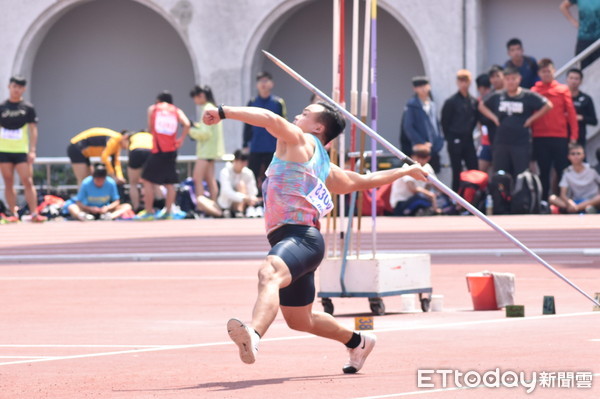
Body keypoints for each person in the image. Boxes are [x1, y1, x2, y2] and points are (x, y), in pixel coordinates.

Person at [203, 101, 428, 373]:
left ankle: (254, 334)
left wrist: (224, 111)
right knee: (300, 320)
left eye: (306, 114)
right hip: (298, 242)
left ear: (318, 127)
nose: (298, 115)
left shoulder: (300, 139)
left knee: (269, 273)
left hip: (300, 237)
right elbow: (362, 180)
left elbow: (270, 119)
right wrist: (404, 170)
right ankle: (359, 341)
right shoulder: (324, 166)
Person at [479, 67, 552, 178]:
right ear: (504, 80)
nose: (511, 81)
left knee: (521, 174)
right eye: (508, 79)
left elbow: (548, 105)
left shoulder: (527, 95)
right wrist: (494, 118)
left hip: (521, 142)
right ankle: (502, 195)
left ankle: (520, 195)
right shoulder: (498, 95)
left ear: (519, 79)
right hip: (501, 142)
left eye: (513, 78)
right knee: (500, 174)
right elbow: (481, 105)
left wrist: (531, 119)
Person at [531, 58, 579, 200]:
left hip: (559, 137)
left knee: (561, 170)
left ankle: (562, 200)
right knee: (543, 170)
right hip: (540, 137)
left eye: (549, 71)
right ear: (539, 73)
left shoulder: (563, 89)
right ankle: (544, 201)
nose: (546, 74)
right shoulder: (534, 91)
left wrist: (574, 136)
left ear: (554, 71)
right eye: (543, 71)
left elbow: (571, 114)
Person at [137, 91, 190, 220]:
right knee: (170, 182)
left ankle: (149, 211)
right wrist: (181, 139)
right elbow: (187, 124)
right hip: (171, 150)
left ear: (158, 100)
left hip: (158, 150)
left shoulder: (153, 109)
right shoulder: (176, 110)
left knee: (147, 180)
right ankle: (168, 211)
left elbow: (150, 129)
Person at [0, 75, 46, 222]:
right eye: (14, 87)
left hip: (21, 150)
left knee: (27, 180)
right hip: (4, 150)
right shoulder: (2, 107)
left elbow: (33, 130)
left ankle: (34, 213)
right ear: (9, 87)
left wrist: (32, 150)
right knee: (8, 181)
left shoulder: (27, 108)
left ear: (23, 89)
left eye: (20, 88)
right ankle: (13, 213)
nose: (16, 90)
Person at [242, 72, 287, 192]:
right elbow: (247, 125)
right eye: (261, 81)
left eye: (266, 80)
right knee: (251, 177)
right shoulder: (252, 102)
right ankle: (252, 205)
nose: (263, 84)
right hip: (255, 147)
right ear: (257, 84)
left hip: (273, 148)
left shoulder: (278, 102)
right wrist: (245, 144)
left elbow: (283, 124)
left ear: (271, 84)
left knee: (272, 179)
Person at [441, 69, 478, 191]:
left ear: (470, 82)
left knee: (473, 169)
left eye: (466, 81)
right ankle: (456, 200)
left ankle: (473, 198)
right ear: (457, 82)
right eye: (461, 81)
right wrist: (451, 138)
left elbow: (475, 119)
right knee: (457, 171)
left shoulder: (473, 101)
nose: (464, 84)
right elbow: (444, 122)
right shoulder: (451, 101)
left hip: (468, 140)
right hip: (455, 139)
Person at [401, 76, 444, 173]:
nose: (423, 88)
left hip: (433, 148)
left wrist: (439, 142)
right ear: (415, 89)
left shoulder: (432, 104)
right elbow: (408, 127)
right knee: (419, 175)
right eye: (419, 86)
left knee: (433, 175)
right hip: (419, 150)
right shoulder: (411, 105)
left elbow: (437, 125)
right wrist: (422, 143)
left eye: (425, 85)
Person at [189, 85, 225, 202]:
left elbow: (205, 133)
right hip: (212, 150)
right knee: (210, 179)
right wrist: (196, 127)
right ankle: (214, 204)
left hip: (205, 151)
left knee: (197, 178)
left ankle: (201, 205)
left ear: (201, 95)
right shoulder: (213, 108)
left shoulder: (207, 109)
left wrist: (190, 130)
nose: (194, 100)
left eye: (195, 97)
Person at [67, 164, 131, 221]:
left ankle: (110, 217)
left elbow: (116, 201)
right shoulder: (86, 183)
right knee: (72, 207)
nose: (99, 182)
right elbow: (78, 202)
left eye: (102, 179)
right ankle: (84, 216)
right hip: (88, 210)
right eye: (97, 179)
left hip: (105, 211)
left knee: (127, 206)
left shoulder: (111, 183)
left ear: (105, 178)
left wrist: (107, 208)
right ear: (93, 178)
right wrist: (90, 208)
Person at [549, 143, 600, 213]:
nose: (576, 156)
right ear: (569, 156)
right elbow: (563, 194)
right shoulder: (567, 172)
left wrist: (577, 207)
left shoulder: (592, 170)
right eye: (573, 154)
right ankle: (582, 209)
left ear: (583, 156)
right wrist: (571, 204)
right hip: (575, 201)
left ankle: (578, 209)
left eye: (578, 154)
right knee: (552, 198)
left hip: (591, 201)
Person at [390, 145, 439, 216]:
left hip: (417, 199)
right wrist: (430, 195)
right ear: (413, 157)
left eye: (424, 157)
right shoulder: (407, 167)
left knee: (442, 199)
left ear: (428, 158)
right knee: (421, 198)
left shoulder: (428, 167)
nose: (421, 160)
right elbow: (412, 189)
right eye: (418, 157)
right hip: (402, 203)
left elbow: (435, 185)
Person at [217, 149, 260, 218]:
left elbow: (253, 191)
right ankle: (235, 211)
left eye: (245, 162)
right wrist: (245, 198)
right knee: (240, 184)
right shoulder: (225, 172)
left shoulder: (248, 173)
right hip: (226, 204)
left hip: (244, 205)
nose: (244, 164)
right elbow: (226, 191)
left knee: (241, 184)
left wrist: (251, 199)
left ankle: (239, 210)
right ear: (235, 160)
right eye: (241, 161)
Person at [560, 0, 600, 69]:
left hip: (598, 39)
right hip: (584, 38)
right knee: (582, 67)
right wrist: (573, 22)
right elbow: (563, 6)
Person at [120, 130, 154, 211]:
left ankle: (136, 208)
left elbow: (129, 155)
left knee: (133, 183)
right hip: (150, 151)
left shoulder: (132, 137)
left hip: (135, 151)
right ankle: (157, 206)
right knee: (151, 183)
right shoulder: (150, 136)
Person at [566, 68, 597, 151]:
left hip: (579, 136)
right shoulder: (560, 97)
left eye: (576, 79)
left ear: (581, 81)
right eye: (571, 78)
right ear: (567, 79)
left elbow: (594, 121)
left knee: (579, 160)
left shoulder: (586, 99)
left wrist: (580, 117)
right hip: (562, 135)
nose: (573, 81)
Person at [475, 73, 493, 174]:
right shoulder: (478, 102)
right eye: (483, 88)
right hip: (485, 142)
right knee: (481, 171)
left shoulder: (496, 99)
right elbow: (479, 124)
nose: (486, 91)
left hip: (497, 142)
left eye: (487, 88)